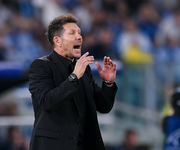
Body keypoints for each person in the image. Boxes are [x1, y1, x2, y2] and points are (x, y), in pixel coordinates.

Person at [28, 14, 118, 150]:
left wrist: (108, 83)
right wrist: (74, 76)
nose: (79, 37)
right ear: (57, 41)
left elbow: (104, 106)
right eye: (72, 33)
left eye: (79, 33)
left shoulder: (84, 69)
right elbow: (47, 101)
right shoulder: (41, 66)